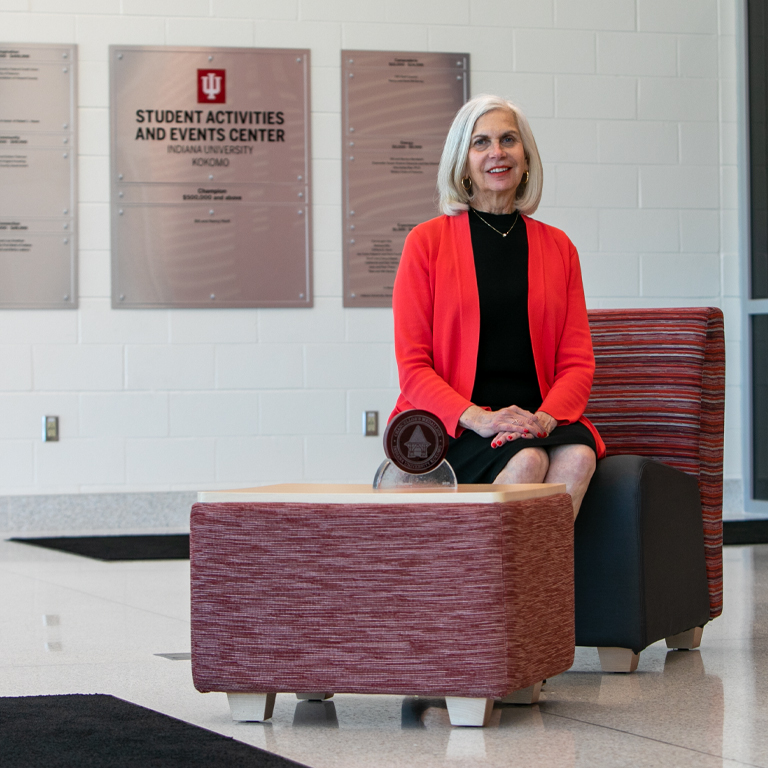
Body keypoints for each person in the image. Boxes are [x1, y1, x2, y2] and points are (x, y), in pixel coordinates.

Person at [390, 94, 605, 517]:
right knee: (527, 462)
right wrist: (480, 419)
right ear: (463, 161)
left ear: (526, 158)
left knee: (578, 457)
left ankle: (540, 583)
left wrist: (543, 420)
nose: (497, 152)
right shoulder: (426, 243)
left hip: (539, 419)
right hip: (460, 426)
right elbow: (413, 367)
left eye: (508, 139)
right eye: (481, 142)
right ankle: (485, 582)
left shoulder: (560, 248)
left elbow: (578, 363)